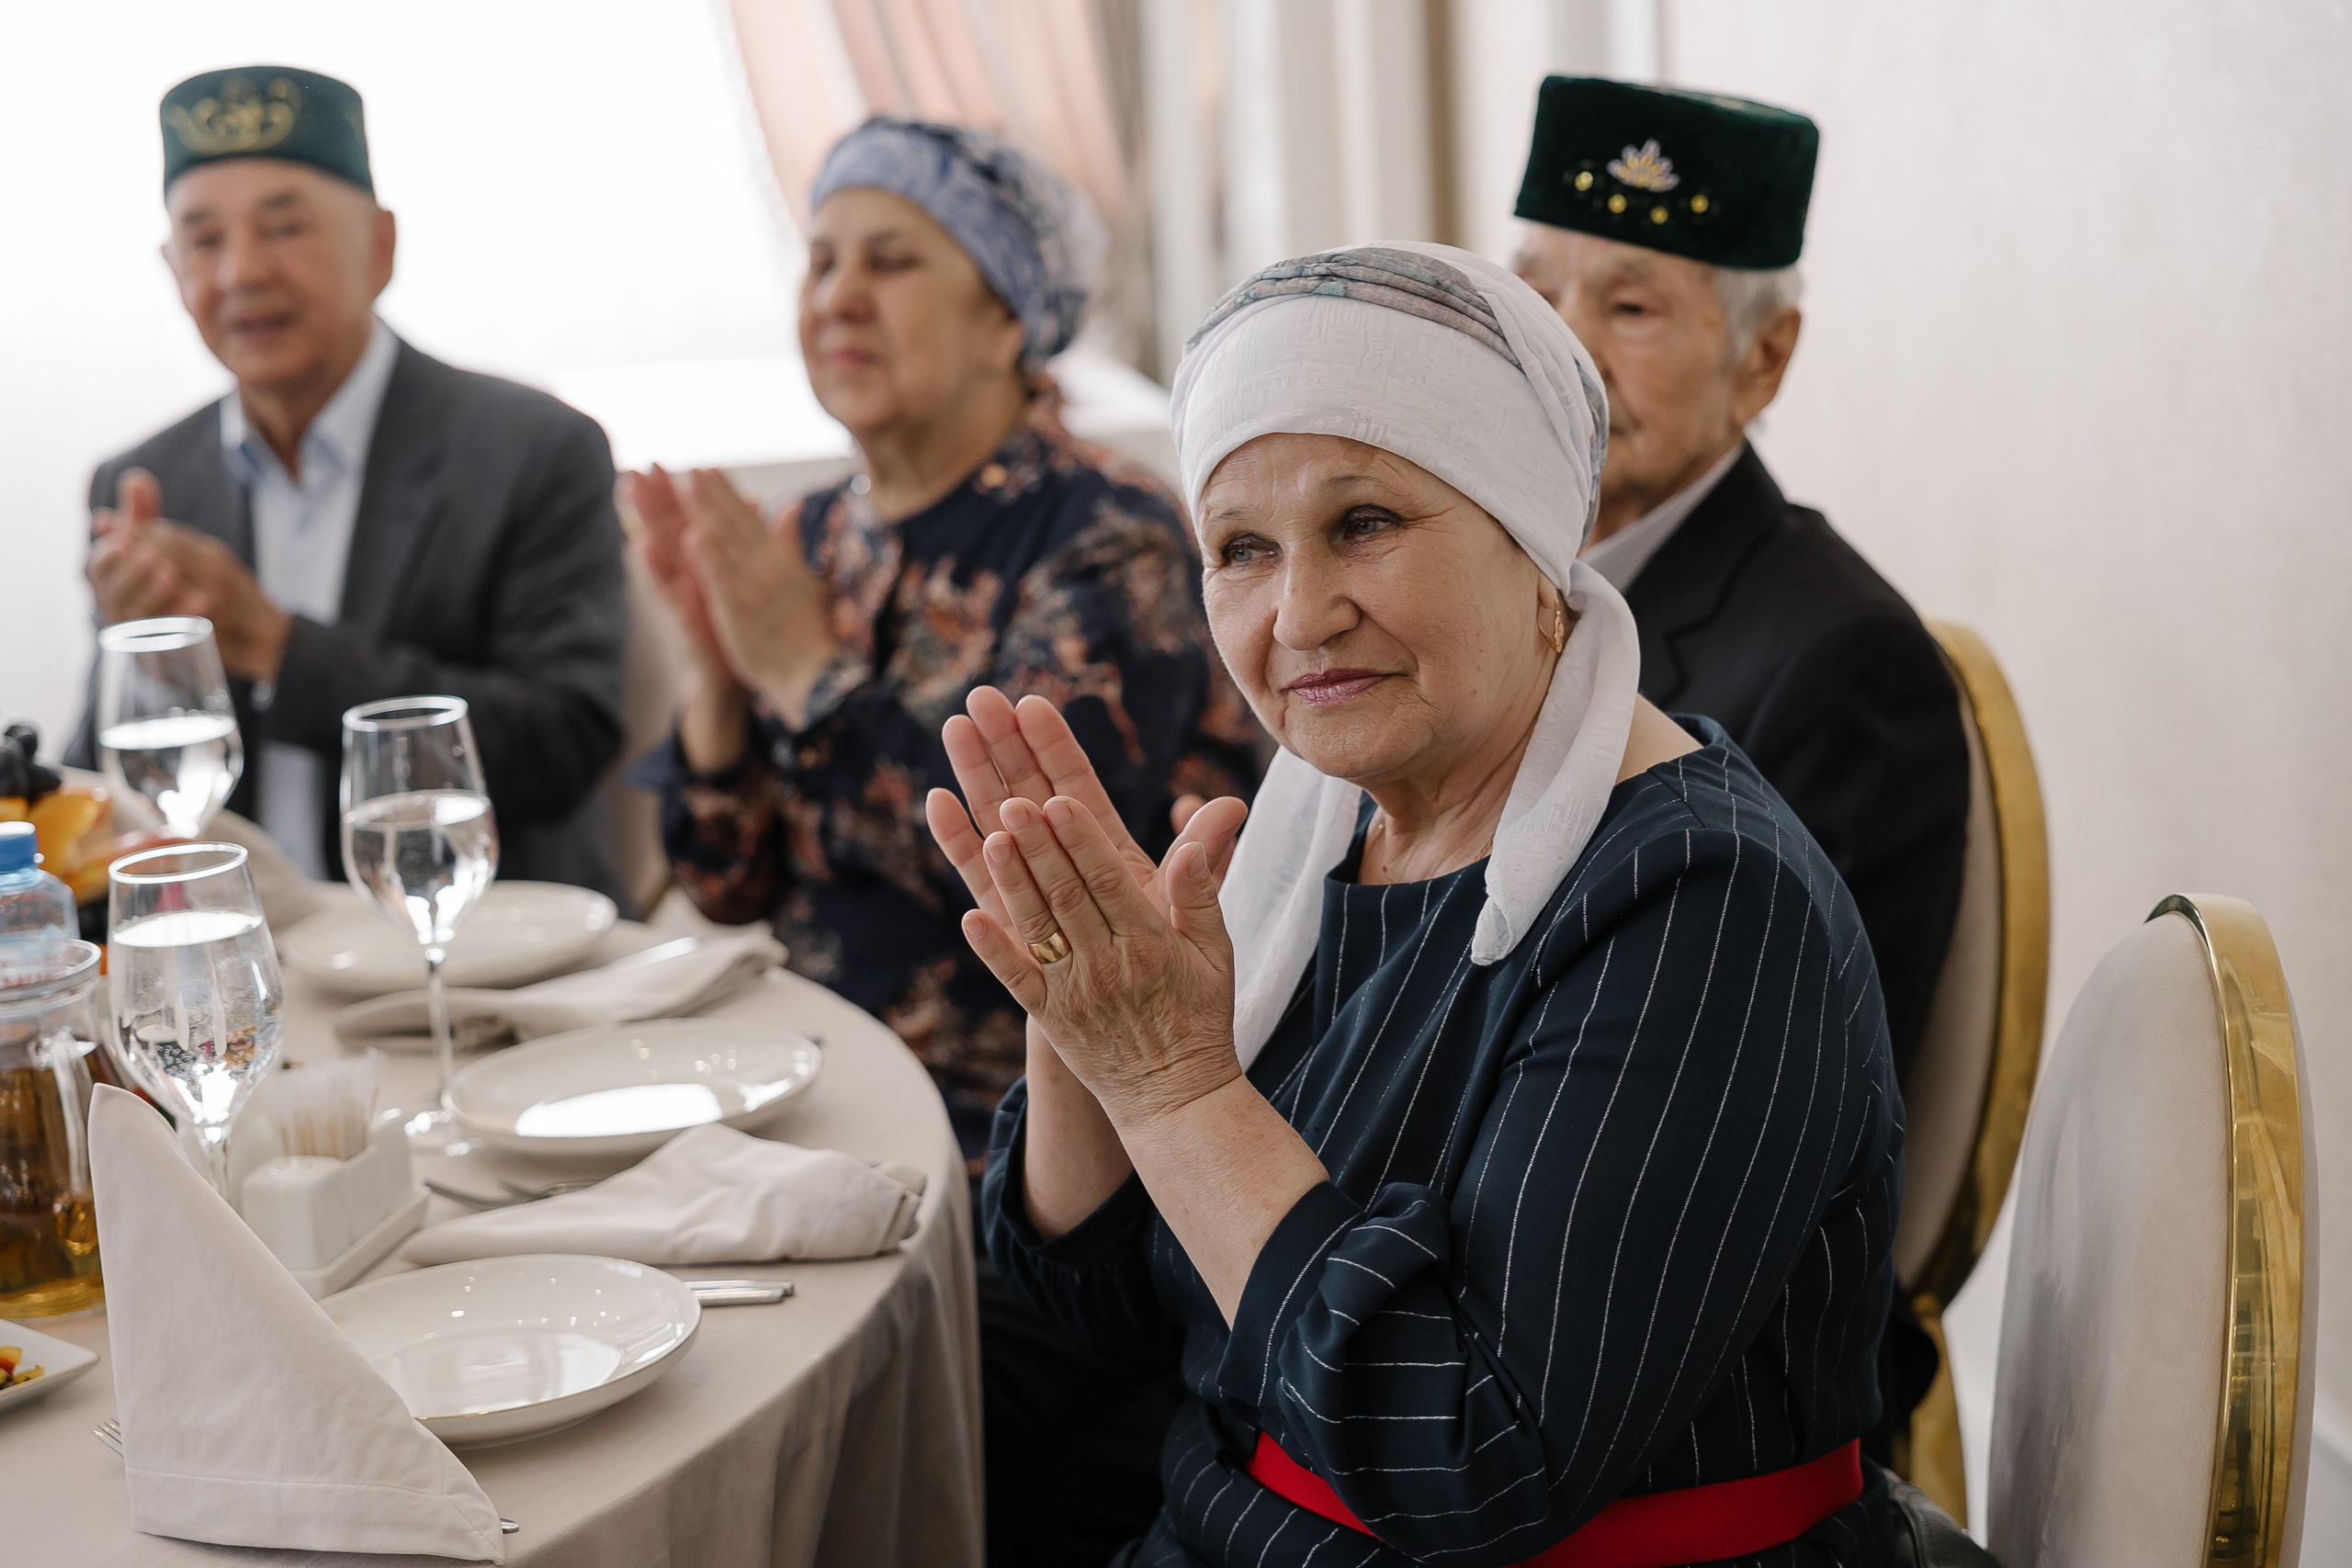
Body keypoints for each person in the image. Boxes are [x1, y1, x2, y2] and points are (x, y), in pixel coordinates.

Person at [936, 244, 1906, 1565]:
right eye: (1239, 548)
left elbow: (1468, 1454)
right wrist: (1081, 1015)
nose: (1300, 611)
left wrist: (1171, 1085)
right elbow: (1099, 1306)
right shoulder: (1320, 835)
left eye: (1366, 523)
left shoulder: (1705, 903)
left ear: (1531, 537)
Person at [624, 118, 1261, 1565]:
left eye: (891, 259)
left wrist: (799, 667)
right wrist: (718, 672)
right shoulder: (825, 534)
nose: (836, 293)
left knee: (740, 1426)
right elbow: (732, 878)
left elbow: (1044, 880)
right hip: (803, 1109)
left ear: (1007, 320)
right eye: (821, 258)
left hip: (1029, 1155)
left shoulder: (1108, 537)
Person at [1510, 77, 1968, 1086]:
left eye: (1629, 307)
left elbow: (1769, 1086)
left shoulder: (1847, 667)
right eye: (1535, 295)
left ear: (1762, 357)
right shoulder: (1488, 580)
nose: (1563, 352)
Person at [70, 68, 628, 894]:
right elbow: (101, 799)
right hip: (245, 958)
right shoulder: (145, 480)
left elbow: (560, 745)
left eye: (284, 228)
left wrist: (271, 644)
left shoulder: (536, 448)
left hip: (483, 947)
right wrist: (145, 667)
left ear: (380, 246)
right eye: (204, 239)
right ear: (171, 265)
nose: (240, 273)